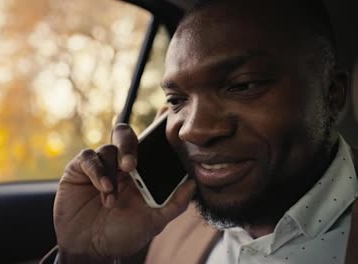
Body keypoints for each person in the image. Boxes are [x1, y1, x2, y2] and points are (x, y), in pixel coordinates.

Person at [52, 0, 358, 263]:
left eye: (242, 85)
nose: (194, 130)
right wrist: (84, 256)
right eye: (177, 100)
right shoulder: (168, 218)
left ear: (332, 94)